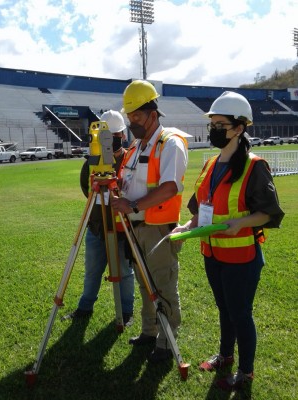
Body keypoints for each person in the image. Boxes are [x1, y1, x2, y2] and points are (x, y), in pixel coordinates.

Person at [174, 91, 284, 390]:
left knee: (240, 313)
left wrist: (241, 223)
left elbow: (268, 212)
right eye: (212, 124)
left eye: (220, 125)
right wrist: (184, 227)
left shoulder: (254, 165)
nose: (214, 130)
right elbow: (200, 210)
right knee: (224, 309)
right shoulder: (210, 164)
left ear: (239, 128)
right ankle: (225, 356)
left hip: (242, 258)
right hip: (213, 253)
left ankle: (245, 372)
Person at [111, 80, 189, 363]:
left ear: (153, 113)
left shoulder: (170, 143)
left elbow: (169, 187)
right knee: (146, 284)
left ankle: (167, 343)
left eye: (137, 117)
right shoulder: (135, 146)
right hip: (136, 228)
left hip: (157, 228)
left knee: (163, 284)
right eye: (130, 117)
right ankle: (149, 331)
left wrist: (131, 204)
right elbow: (129, 180)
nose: (132, 122)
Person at [67, 110, 135, 326]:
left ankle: (126, 312)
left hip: (122, 229)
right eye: (106, 137)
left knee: (125, 272)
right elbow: (87, 189)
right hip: (96, 227)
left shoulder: (130, 160)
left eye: (114, 137)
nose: (110, 142)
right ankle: (85, 307)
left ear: (122, 136)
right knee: (92, 271)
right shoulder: (91, 163)